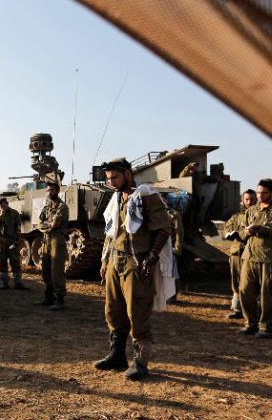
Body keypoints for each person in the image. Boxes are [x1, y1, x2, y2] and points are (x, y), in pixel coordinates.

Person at [93, 158, 173, 381]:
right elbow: (112, 233)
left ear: (127, 174)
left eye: (115, 177)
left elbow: (165, 228)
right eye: (108, 179)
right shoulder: (116, 198)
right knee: (113, 311)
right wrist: (104, 261)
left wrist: (152, 255)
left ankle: (140, 363)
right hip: (114, 262)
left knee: (137, 313)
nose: (111, 182)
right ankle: (117, 356)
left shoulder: (146, 196)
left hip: (135, 264)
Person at [236, 178, 272, 338]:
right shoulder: (251, 211)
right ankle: (250, 324)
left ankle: (265, 328)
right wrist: (246, 232)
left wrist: (265, 231)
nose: (260, 196)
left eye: (264, 193)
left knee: (268, 295)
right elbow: (241, 233)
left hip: (270, 259)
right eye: (259, 192)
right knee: (245, 291)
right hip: (249, 258)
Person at [222, 189, 257, 319]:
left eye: (252, 199)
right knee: (236, 281)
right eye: (247, 199)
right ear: (242, 200)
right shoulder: (236, 216)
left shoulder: (259, 215)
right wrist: (232, 233)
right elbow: (227, 229)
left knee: (251, 283)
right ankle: (237, 309)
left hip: (253, 253)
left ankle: (253, 310)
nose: (249, 202)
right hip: (237, 252)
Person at [36, 181, 68, 311]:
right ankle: (48, 298)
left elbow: (55, 224)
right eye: (48, 190)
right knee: (46, 270)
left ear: (57, 191)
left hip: (57, 242)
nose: (50, 192)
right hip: (46, 241)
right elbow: (39, 224)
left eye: (52, 190)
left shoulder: (62, 207)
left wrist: (49, 225)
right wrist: (47, 226)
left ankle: (60, 300)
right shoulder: (47, 207)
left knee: (57, 271)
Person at [0, 198, 30, 290]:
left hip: (11, 241)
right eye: (1, 206)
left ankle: (18, 282)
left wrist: (18, 241)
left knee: (15, 262)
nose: (3, 207)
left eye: (4, 205)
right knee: (2, 262)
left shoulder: (14, 213)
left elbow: (18, 228)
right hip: (1, 241)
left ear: (7, 204)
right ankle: (4, 283)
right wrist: (1, 215)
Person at [165, 203, 183, 304]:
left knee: (172, 273)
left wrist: (177, 248)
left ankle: (172, 296)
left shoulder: (174, 215)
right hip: (159, 248)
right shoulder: (155, 212)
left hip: (170, 247)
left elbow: (179, 233)